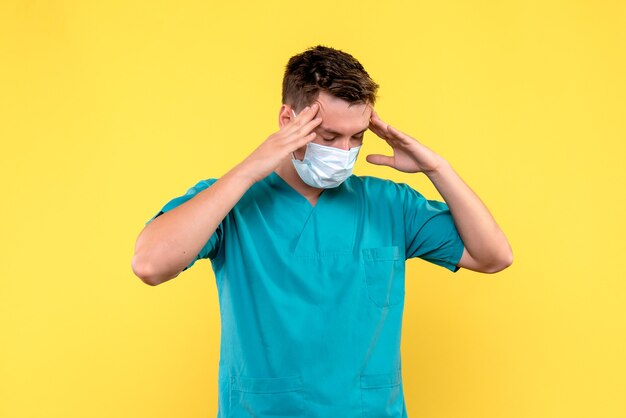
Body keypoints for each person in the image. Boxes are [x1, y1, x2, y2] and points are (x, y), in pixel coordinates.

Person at [131, 45, 513, 418]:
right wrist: (250, 168)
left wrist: (437, 170)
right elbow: (150, 264)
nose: (344, 151)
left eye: (357, 137)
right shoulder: (232, 203)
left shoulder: (389, 204)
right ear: (288, 120)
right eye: (329, 137)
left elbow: (493, 256)